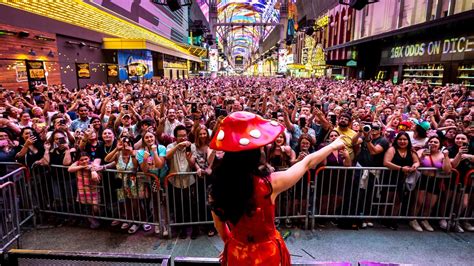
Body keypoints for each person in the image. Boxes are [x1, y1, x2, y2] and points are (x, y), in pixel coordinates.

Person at [209, 111, 345, 265]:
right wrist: (333, 145)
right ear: (255, 155)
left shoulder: (217, 187)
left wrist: (232, 243)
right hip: (268, 255)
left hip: (237, 253)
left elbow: (219, 226)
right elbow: (306, 163)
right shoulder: (269, 184)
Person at [410, 136, 451, 232]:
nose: (432, 143)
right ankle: (413, 219)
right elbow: (416, 163)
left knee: (430, 204)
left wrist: (446, 157)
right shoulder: (421, 151)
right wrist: (422, 156)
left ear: (440, 144)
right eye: (431, 141)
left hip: (435, 181)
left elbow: (447, 169)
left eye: (435, 142)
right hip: (422, 179)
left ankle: (424, 220)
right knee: (419, 201)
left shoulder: (442, 155)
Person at [383, 132, 420, 230]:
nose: (402, 141)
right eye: (400, 139)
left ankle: (393, 219)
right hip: (390, 177)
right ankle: (384, 219)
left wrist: (414, 166)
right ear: (396, 140)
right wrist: (401, 168)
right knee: (388, 199)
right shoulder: (392, 149)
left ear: (408, 141)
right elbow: (386, 162)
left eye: (405, 139)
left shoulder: (411, 151)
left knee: (398, 200)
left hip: (404, 179)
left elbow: (417, 161)